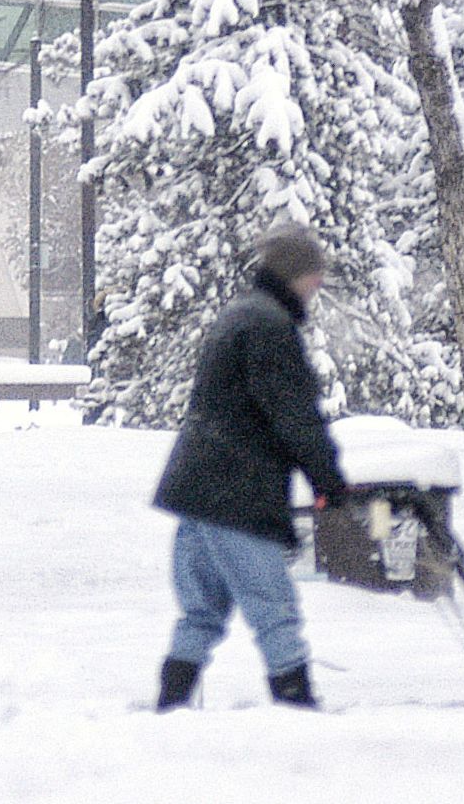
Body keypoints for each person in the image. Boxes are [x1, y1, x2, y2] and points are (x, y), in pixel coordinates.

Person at [150, 224, 352, 713]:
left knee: (202, 612)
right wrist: (328, 480)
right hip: (234, 491)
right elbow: (292, 413)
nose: (318, 284)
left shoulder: (240, 316)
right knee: (274, 608)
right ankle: (298, 707)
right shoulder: (269, 326)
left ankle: (169, 708)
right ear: (295, 275)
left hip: (198, 490)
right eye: (313, 274)